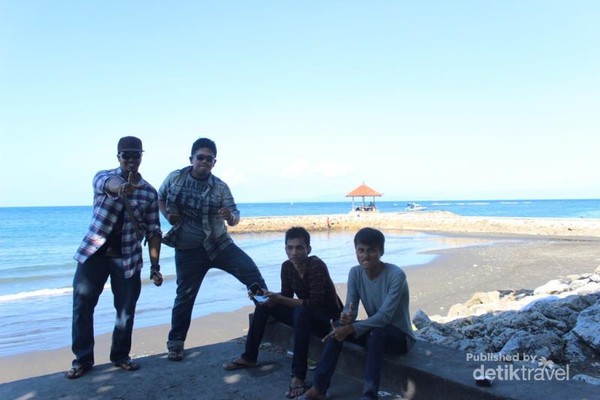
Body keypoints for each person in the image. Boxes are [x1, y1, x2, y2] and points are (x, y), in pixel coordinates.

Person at [159, 137, 267, 361]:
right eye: (201, 157)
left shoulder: (220, 187)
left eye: (210, 159)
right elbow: (159, 198)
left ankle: (270, 321)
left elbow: (235, 215)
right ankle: (176, 344)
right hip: (187, 250)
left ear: (214, 162)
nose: (204, 162)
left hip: (219, 245)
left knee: (253, 276)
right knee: (185, 296)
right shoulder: (175, 178)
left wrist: (230, 217)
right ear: (191, 158)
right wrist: (168, 215)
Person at [66, 136, 163, 379]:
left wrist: (155, 266)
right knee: (82, 307)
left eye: (135, 154)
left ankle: (120, 356)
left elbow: (153, 231)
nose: (131, 159)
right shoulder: (102, 176)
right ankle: (82, 359)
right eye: (126, 155)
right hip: (94, 255)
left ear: (142, 156)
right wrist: (120, 188)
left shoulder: (149, 193)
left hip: (127, 258)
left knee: (125, 311)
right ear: (118, 156)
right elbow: (106, 184)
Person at [222, 227, 343, 399]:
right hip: (305, 316)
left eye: (299, 247)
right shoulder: (287, 267)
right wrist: (266, 296)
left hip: (328, 320)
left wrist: (278, 299)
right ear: (285, 249)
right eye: (290, 247)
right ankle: (249, 356)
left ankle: (298, 376)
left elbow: (314, 304)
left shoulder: (316, 265)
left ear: (308, 249)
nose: (294, 252)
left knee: (301, 312)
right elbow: (286, 296)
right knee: (264, 305)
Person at [300, 227, 416, 400]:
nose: (365, 256)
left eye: (372, 250)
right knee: (338, 331)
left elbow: (385, 317)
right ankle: (318, 389)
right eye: (361, 250)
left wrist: (352, 328)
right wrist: (346, 318)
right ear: (356, 251)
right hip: (374, 330)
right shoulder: (355, 273)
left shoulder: (396, 275)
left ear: (381, 251)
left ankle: (369, 395)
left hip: (399, 337)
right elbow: (350, 308)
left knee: (376, 333)